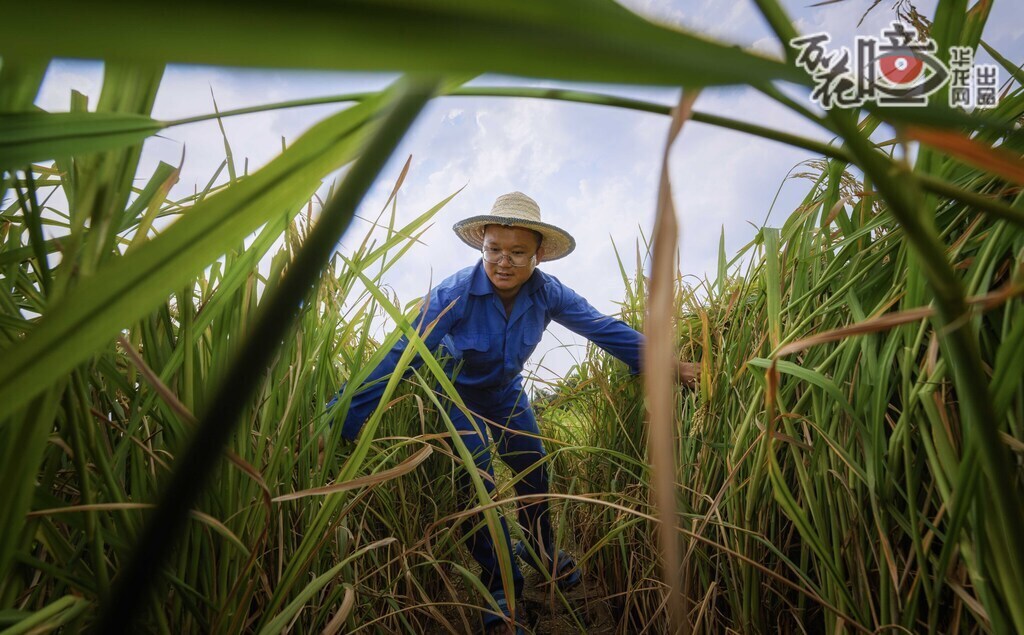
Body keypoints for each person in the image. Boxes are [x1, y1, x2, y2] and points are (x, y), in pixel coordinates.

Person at [333, 191, 699, 634]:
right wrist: (340, 421)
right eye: (494, 250)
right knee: (478, 483)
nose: (503, 262)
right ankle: (500, 590)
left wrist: (672, 366)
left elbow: (603, 328)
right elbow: (399, 356)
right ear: (482, 246)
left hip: (505, 394)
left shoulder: (548, 293)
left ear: (538, 255)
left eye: (517, 252)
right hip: (453, 394)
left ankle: (544, 553)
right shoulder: (453, 294)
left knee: (533, 468)